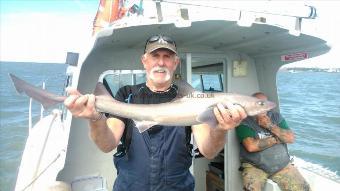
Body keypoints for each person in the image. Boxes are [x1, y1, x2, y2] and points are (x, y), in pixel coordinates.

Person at [64, 34, 247, 191]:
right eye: (155, 56)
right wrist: (95, 118)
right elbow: (107, 144)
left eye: (167, 57)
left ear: (175, 63)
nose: (161, 62)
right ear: (145, 61)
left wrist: (221, 128)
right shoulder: (126, 95)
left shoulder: (195, 101)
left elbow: (208, 151)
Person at [236, 92, 311, 191]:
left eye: (265, 104)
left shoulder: (276, 117)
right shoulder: (244, 121)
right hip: (255, 167)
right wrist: (277, 138)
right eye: (259, 104)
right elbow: (251, 146)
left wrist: (270, 126)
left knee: (304, 189)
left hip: (282, 165)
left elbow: (290, 138)